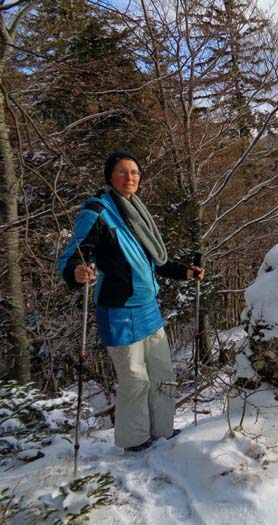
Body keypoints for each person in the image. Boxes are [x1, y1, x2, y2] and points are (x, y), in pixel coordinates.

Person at [59, 151, 204, 452]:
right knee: (135, 379)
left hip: (148, 308)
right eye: (123, 172)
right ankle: (135, 440)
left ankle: (162, 432)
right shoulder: (97, 212)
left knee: (163, 374)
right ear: (110, 176)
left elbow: (153, 260)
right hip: (118, 311)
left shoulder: (137, 211)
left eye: (135, 172)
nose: (130, 178)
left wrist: (185, 272)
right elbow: (72, 254)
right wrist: (77, 272)